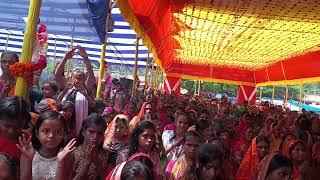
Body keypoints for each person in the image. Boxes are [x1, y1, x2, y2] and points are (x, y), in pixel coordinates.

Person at [17, 111, 76, 180]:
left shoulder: (67, 156)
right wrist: (29, 160)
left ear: (64, 134)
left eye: (58, 131)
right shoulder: (28, 153)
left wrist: (61, 163)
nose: (51, 136)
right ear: (37, 133)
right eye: (46, 131)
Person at [56, 46, 96, 136]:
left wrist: (86, 58)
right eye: (75, 78)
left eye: (80, 79)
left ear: (84, 80)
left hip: (79, 126)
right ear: (70, 78)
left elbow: (91, 77)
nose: (77, 81)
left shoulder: (86, 89)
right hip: (64, 124)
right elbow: (57, 76)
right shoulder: (67, 87)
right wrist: (65, 58)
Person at [71, 114, 109, 180]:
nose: (95, 137)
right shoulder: (72, 154)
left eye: (100, 133)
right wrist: (87, 162)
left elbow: (109, 178)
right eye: (91, 132)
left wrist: (98, 163)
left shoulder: (108, 155)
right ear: (83, 131)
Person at [0, 96, 29, 161]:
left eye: (18, 127)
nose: (11, 131)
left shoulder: (29, 142)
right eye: (7, 126)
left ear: (24, 123)